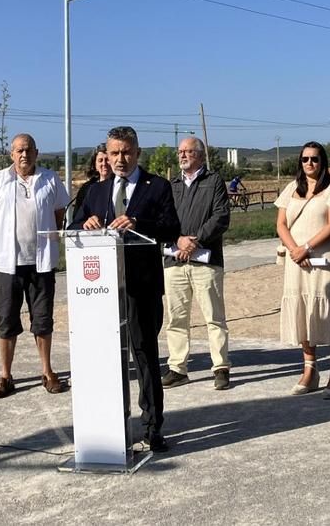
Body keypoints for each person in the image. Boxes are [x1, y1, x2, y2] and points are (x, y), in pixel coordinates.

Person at [71, 126, 180, 452]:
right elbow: (74, 225)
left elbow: (171, 228)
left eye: (126, 153)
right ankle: (113, 425)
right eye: (114, 153)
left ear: (137, 153)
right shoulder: (96, 191)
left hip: (141, 287)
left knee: (144, 356)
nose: (119, 159)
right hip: (101, 290)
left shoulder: (157, 186)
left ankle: (152, 427)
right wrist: (84, 224)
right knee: (106, 357)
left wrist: (138, 224)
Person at [0, 133, 71, 399]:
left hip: (41, 263)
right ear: (11, 154)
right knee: (7, 321)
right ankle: (5, 376)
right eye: (19, 150)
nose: (24, 155)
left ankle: (47, 371)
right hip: (7, 265)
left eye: (28, 150)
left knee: (43, 320)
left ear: (36, 152)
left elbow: (58, 214)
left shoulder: (50, 179)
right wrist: (4, 241)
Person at [275, 141, 330, 398]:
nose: (309, 163)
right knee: (304, 310)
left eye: (315, 159)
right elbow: (280, 224)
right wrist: (294, 250)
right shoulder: (291, 188)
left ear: (322, 162)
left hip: (325, 258)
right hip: (297, 260)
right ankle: (309, 369)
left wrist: (307, 247)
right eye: (305, 159)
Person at [160, 137, 232, 390]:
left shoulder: (214, 182)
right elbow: (163, 218)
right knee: (176, 319)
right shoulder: (172, 185)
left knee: (214, 317)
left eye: (188, 151)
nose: (182, 156)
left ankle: (221, 367)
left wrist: (196, 240)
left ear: (200, 155)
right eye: (180, 152)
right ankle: (178, 368)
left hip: (206, 261)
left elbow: (221, 216)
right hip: (175, 261)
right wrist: (177, 241)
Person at [73, 144, 110, 213]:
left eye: (107, 160)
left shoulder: (123, 186)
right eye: (100, 160)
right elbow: (77, 218)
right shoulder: (86, 189)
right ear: (95, 165)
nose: (104, 164)